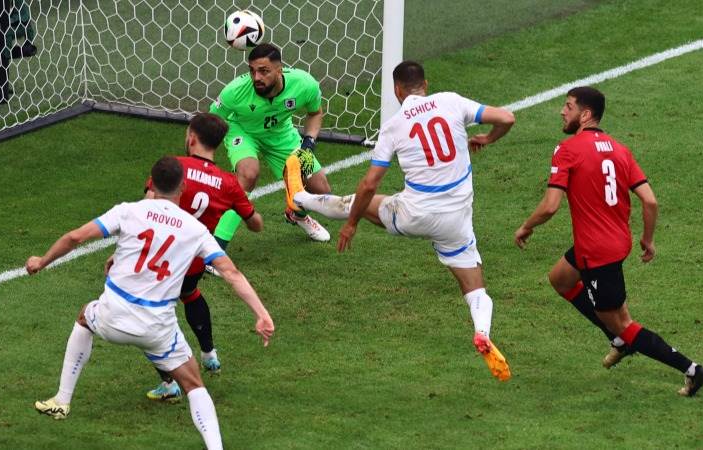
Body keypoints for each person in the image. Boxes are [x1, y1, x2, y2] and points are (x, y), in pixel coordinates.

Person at [27, 156, 274, 449]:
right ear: (183, 186)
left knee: (84, 317)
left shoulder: (129, 211)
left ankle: (61, 400)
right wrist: (261, 314)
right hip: (158, 329)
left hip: (112, 316)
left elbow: (75, 237)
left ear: (151, 183)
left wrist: (41, 261)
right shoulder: (195, 230)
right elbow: (231, 273)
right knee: (194, 385)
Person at [292, 61, 515, 381]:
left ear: (397, 90)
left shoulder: (394, 126)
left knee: (356, 202)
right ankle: (482, 332)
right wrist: (488, 138)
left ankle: (299, 197)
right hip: (455, 220)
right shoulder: (452, 101)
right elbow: (507, 118)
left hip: (413, 215)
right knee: (474, 286)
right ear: (425, 83)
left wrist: (352, 223)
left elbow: (369, 184)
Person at [513, 86, 703, 396]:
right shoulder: (620, 150)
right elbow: (650, 201)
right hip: (615, 241)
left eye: (568, 106)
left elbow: (550, 206)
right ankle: (618, 341)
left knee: (623, 323)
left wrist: (526, 226)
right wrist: (647, 239)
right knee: (561, 279)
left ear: (585, 114)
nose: (562, 112)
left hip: (597, 252)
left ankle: (692, 369)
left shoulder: (567, 150)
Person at [141, 113, 264, 402]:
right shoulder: (228, 183)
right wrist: (246, 211)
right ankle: (209, 352)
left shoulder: (173, 167)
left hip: (162, 258)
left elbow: (146, 207)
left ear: (192, 137)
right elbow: (255, 223)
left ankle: (170, 383)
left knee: (146, 315)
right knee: (190, 293)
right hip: (195, 260)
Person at [210, 42, 332, 247]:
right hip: (243, 131)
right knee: (248, 173)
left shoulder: (304, 84)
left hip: (281, 134)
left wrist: (308, 143)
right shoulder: (236, 91)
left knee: (321, 190)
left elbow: (315, 113)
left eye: (264, 71)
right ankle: (215, 248)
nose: (256, 77)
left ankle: (297, 214)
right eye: (252, 71)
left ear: (279, 70)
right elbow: (210, 120)